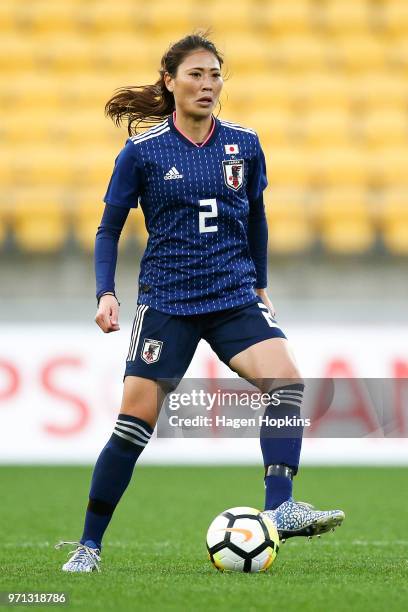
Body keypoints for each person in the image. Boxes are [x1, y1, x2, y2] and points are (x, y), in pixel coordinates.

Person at [56, 33, 344, 572]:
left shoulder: (245, 143)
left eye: (215, 75)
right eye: (196, 75)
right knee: (133, 424)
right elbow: (108, 230)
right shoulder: (141, 152)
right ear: (170, 81)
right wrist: (106, 293)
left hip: (233, 294)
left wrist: (259, 282)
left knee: (287, 382)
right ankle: (88, 545)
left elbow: (256, 216)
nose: (208, 85)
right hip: (168, 300)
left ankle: (279, 510)